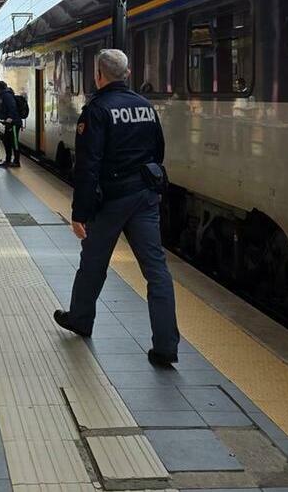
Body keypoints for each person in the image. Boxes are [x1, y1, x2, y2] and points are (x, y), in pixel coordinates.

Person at [52, 49, 180, 367]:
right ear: (127, 73)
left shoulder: (97, 110)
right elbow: (158, 151)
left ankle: (81, 319)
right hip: (145, 197)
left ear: (99, 74)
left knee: (93, 263)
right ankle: (166, 345)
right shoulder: (146, 107)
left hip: (111, 200)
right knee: (156, 270)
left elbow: (88, 166)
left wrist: (79, 213)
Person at [0, 80, 21, 168]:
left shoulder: (7, 96)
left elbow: (12, 107)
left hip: (14, 123)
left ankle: (16, 162)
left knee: (14, 142)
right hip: (8, 124)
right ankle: (8, 160)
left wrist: (11, 117)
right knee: (6, 141)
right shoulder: (0, 96)